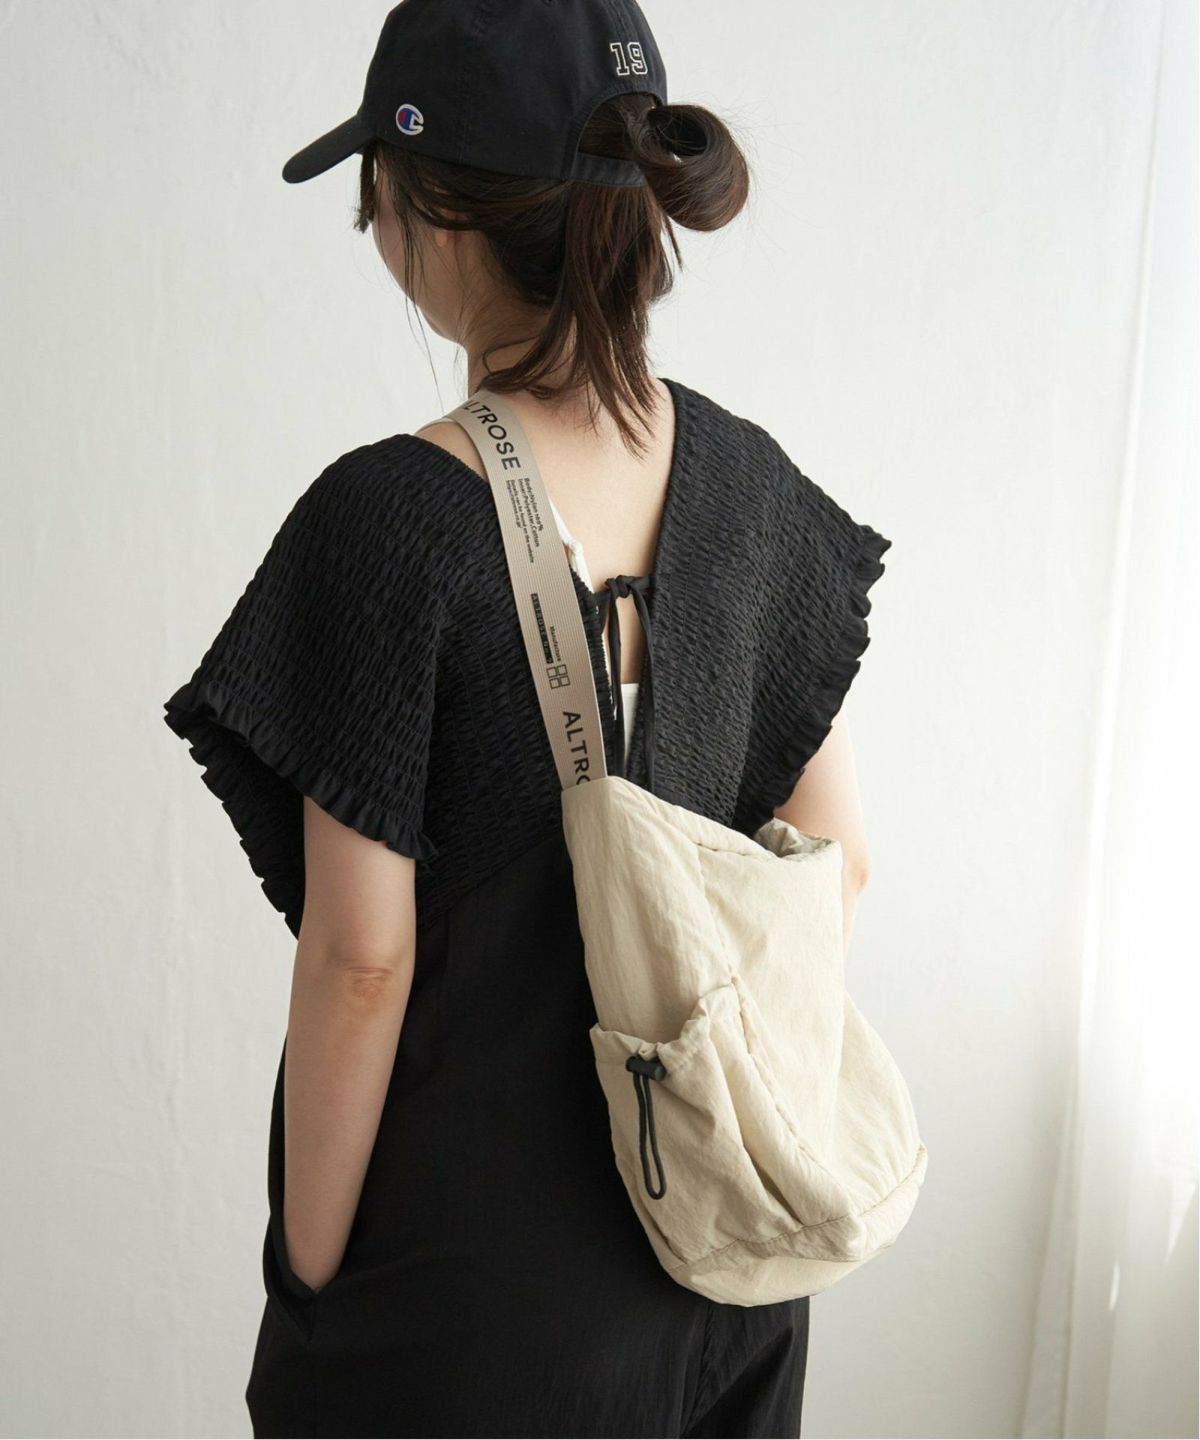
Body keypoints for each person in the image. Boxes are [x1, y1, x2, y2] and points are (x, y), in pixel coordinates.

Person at [161, 2, 890, 1435]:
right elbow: (841, 863)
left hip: (467, 1300)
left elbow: (360, 964)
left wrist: (310, 1280)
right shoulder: (754, 496)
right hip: (727, 1269)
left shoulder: (388, 523)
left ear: (430, 213)